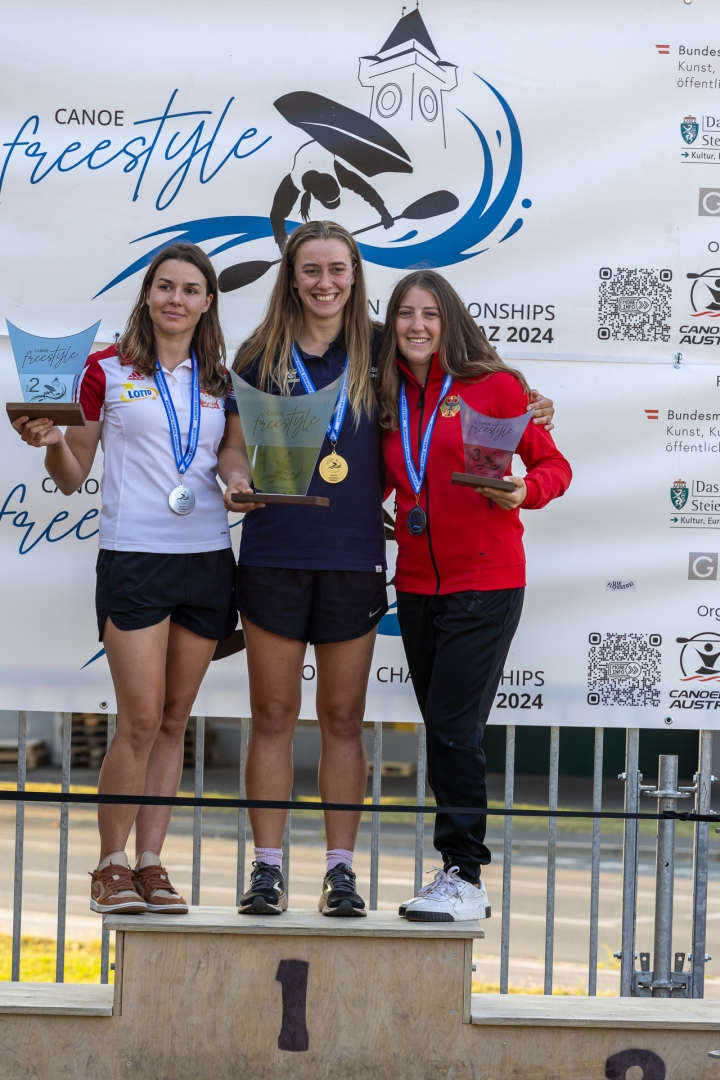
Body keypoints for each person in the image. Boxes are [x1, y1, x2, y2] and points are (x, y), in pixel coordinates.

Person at [222, 220, 556, 918]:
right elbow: (233, 445)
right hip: (275, 554)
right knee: (273, 714)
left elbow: (468, 389)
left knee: (343, 718)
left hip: (354, 561)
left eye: (337, 269)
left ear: (355, 275)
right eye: (311, 270)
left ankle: (340, 872)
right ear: (291, 278)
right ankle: (266, 869)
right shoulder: (259, 353)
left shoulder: (381, 350)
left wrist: (528, 402)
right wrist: (234, 478)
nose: (325, 283)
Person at [11, 243, 243, 916]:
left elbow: (231, 452)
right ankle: (110, 865)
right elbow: (73, 475)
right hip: (135, 559)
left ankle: (150, 862)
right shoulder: (105, 369)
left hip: (206, 562)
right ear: (147, 294)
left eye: (191, 289)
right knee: (139, 719)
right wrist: (53, 440)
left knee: (174, 721)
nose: (177, 299)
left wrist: (237, 481)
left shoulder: (221, 378)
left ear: (207, 302)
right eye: (165, 286)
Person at [376, 270, 572, 922]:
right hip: (416, 585)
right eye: (406, 313)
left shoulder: (496, 387)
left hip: (486, 583)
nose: (418, 326)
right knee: (444, 729)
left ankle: (465, 876)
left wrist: (525, 490)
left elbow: (553, 466)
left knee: (455, 730)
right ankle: (457, 872)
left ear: (450, 320)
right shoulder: (383, 392)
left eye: (430, 313)